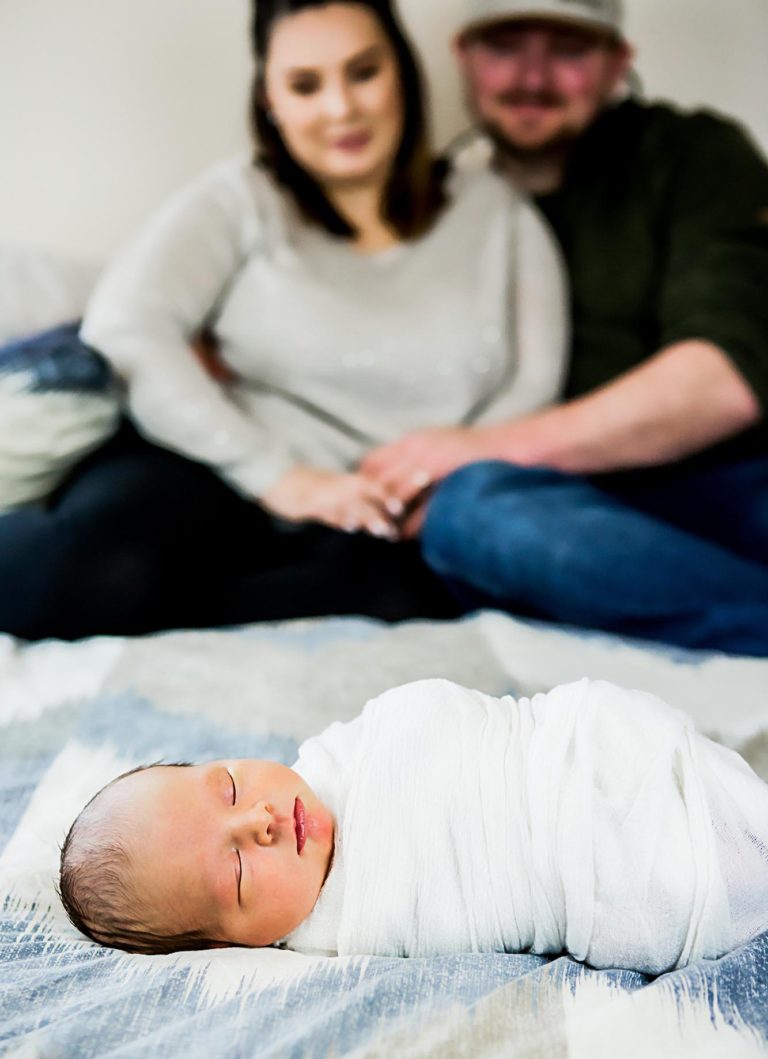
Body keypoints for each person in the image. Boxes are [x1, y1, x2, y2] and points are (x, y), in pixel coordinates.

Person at [0, 0, 567, 641]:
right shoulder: (242, 196)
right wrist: (280, 477)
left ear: (403, 75)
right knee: (90, 576)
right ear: (271, 99)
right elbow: (125, 326)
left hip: (382, 519)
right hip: (218, 470)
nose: (340, 109)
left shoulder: (496, 214)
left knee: (402, 606)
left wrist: (442, 476)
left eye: (363, 73)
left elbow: (535, 381)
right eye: (305, 85)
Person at [359, 0, 768, 656]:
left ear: (618, 63)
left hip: (725, 480)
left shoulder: (694, 154)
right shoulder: (428, 202)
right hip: (553, 513)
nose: (532, 76)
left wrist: (481, 445)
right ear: (463, 55)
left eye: (569, 50)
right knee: (472, 516)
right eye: (505, 47)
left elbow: (728, 379)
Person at [59, 676, 768, 974]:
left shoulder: (335, 756)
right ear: (234, 941)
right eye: (239, 869)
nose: (261, 819)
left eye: (230, 786)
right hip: (614, 863)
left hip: (591, 743)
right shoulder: (349, 930)